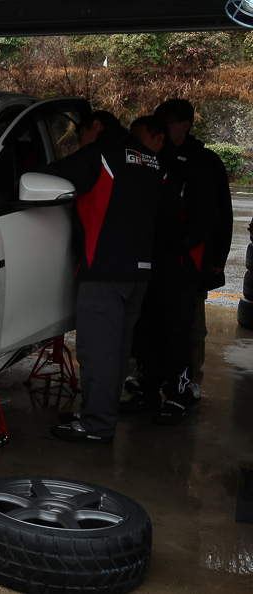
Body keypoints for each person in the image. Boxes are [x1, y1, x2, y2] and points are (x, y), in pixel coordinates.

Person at [46, 110, 165, 444]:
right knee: (117, 350)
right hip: (139, 273)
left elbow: (53, 176)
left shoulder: (98, 156)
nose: (79, 141)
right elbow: (167, 212)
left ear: (95, 126)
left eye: (80, 133)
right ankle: (101, 413)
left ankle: (97, 425)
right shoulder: (151, 161)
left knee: (98, 352)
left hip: (103, 273)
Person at [122, 99, 224, 424]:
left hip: (183, 263)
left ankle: (179, 394)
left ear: (185, 125)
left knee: (181, 332)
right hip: (149, 260)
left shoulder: (202, 162)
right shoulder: (152, 160)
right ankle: (148, 390)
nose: (164, 130)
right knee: (147, 328)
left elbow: (213, 215)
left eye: (169, 123)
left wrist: (211, 259)